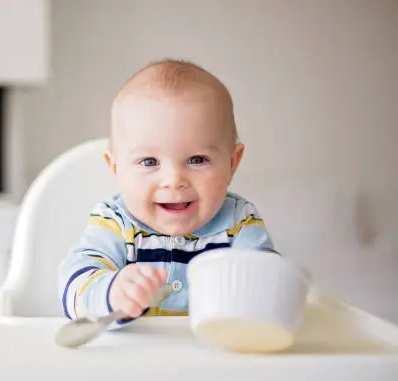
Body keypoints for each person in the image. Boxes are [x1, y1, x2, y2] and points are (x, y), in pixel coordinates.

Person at [58, 58, 274, 327]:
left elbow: (268, 286)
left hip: (215, 360)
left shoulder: (239, 222)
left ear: (232, 163)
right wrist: (111, 292)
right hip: (133, 362)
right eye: (149, 162)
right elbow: (74, 288)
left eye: (197, 160)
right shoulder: (115, 222)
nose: (174, 181)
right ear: (116, 169)